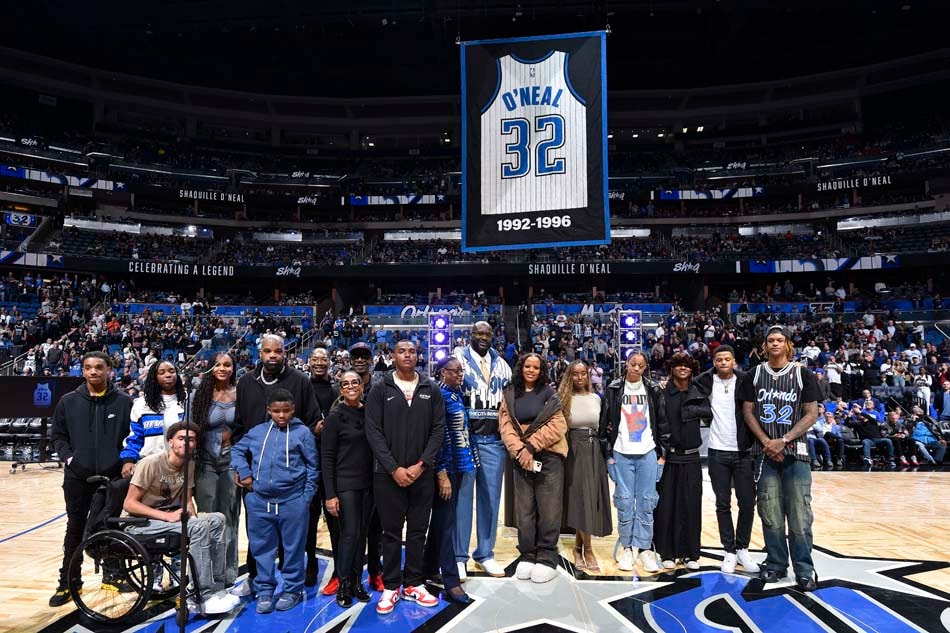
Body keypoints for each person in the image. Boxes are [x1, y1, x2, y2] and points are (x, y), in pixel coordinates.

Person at [231, 334, 322, 596]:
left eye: (278, 351)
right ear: (260, 353)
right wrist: (243, 468)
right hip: (255, 478)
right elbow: (239, 428)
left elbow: (314, 421)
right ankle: (257, 580)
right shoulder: (246, 382)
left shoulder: (301, 382)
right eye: (268, 351)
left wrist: (307, 491)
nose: (273, 355)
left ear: (286, 353)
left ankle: (298, 581)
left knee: (296, 537)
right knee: (259, 537)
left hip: (292, 479)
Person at [124, 422, 238, 616]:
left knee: (217, 519)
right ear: (170, 442)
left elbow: (186, 501)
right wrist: (168, 516)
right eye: (181, 438)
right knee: (199, 528)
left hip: (167, 519)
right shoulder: (151, 464)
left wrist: (192, 516)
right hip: (138, 524)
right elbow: (130, 504)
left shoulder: (189, 465)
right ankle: (201, 594)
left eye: (191, 439)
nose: (186, 442)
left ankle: (218, 588)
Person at [365, 340, 445, 615]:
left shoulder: (430, 388)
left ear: (417, 355)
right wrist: (394, 468)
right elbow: (373, 432)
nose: (407, 355)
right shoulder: (379, 389)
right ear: (393, 355)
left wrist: (422, 465)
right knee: (389, 533)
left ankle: (413, 583)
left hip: (422, 474)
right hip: (387, 476)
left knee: (417, 532)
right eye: (402, 351)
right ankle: (391, 586)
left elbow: (438, 430)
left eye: (412, 351)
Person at [739, 325, 820, 591]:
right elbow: (748, 411)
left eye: (779, 340)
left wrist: (783, 440)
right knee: (770, 514)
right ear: (764, 345)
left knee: (799, 516)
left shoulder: (803, 374)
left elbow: (811, 414)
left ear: (787, 345)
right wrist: (766, 441)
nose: (774, 344)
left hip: (796, 454)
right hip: (764, 453)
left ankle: (805, 569)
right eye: (770, 340)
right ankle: (775, 563)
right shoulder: (754, 374)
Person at [49, 351, 133, 607]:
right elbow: (58, 437)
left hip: (111, 477)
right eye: (88, 368)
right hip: (77, 478)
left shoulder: (124, 402)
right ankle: (69, 581)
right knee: (75, 529)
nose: (93, 372)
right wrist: (70, 459)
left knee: (109, 527)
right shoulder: (68, 401)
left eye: (98, 367)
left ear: (109, 369)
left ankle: (112, 575)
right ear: (82, 371)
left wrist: (125, 461)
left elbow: (132, 436)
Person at [683, 345, 759, 575]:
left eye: (727, 359)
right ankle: (729, 551)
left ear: (734, 361)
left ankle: (743, 548)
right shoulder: (704, 382)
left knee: (747, 503)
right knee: (722, 504)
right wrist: (704, 414)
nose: (723, 363)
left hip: (743, 451)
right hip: (717, 451)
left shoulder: (746, 380)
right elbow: (690, 407)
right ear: (714, 362)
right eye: (719, 360)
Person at [499, 353, 568, 583]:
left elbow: (558, 425)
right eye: (527, 366)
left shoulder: (549, 393)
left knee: (549, 509)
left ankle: (547, 557)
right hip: (521, 459)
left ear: (541, 371)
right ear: (521, 368)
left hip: (548, 458)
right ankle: (528, 554)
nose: (531, 370)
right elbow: (505, 425)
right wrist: (520, 451)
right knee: (525, 510)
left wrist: (531, 446)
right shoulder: (509, 393)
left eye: (536, 367)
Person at [599, 351, 668, 574]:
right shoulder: (613, 388)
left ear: (645, 367)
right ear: (626, 363)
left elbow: (663, 422)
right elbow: (604, 424)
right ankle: (628, 547)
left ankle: (645, 548)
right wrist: (608, 455)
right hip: (621, 451)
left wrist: (662, 454)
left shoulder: (654, 389)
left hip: (648, 451)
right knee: (624, 500)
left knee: (648, 501)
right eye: (632, 364)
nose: (636, 368)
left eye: (640, 365)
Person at [453, 321, 511, 580]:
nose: (484, 337)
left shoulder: (503, 365)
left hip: (493, 441)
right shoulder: (457, 359)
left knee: (490, 500)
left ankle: (485, 553)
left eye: (488, 334)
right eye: (479, 333)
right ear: (471, 335)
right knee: (462, 500)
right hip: (465, 439)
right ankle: (458, 557)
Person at [424, 357, 478, 604]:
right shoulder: (440, 396)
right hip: (446, 468)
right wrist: (442, 472)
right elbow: (441, 437)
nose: (460, 374)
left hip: (458, 465)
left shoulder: (456, 395)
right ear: (442, 372)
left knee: (441, 521)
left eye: (461, 371)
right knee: (447, 524)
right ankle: (451, 581)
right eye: (455, 371)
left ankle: (428, 568)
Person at [321, 371, 373, 608]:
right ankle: (343, 583)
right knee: (349, 534)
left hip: (368, 483)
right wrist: (330, 494)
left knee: (361, 534)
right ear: (340, 389)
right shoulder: (335, 417)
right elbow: (327, 457)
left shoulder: (370, 412)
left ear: (362, 386)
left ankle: (356, 581)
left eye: (355, 383)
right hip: (345, 483)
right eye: (346, 384)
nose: (351, 386)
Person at [191, 352, 241, 588]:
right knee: (207, 516)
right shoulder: (198, 395)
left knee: (230, 516)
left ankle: (228, 573)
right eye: (218, 364)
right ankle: (205, 573)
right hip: (206, 462)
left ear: (233, 368)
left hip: (232, 460)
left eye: (227, 365)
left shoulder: (240, 393)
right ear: (210, 368)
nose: (222, 368)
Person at [558, 360, 611, 572]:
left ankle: (581, 548)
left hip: (594, 450)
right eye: (576, 374)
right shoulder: (563, 399)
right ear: (570, 376)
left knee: (589, 500)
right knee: (580, 500)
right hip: (573, 451)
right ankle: (585, 549)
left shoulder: (597, 398)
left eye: (583, 374)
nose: (580, 378)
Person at [654, 353, 704, 569]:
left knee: (691, 505)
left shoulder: (699, 391)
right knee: (666, 506)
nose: (683, 368)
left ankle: (690, 553)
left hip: (692, 456)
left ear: (692, 369)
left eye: (687, 365)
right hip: (669, 456)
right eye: (678, 365)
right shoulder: (662, 392)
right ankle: (666, 551)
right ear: (671, 368)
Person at [347, 340, 385, 591]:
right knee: (351, 527)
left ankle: (375, 571)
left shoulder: (381, 388)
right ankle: (347, 574)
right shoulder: (344, 387)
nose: (360, 359)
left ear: (371, 359)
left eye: (365, 356)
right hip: (352, 467)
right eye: (356, 356)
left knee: (377, 525)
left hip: (378, 466)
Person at [307, 344, 342, 590]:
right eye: (315, 358)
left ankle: (340, 569)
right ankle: (309, 564)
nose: (320, 362)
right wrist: (312, 430)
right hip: (308, 464)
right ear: (309, 362)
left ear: (330, 362)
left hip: (333, 465)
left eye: (324, 359)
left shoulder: (337, 390)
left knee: (336, 521)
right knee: (307, 521)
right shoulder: (301, 386)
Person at [119, 360, 186, 474]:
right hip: (148, 465)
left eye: (171, 371)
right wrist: (128, 460)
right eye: (162, 372)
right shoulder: (141, 404)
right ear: (154, 377)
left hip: (182, 466)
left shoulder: (187, 401)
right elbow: (135, 437)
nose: (168, 375)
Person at [844, 403, 896, 471]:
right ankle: (867, 458)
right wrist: (849, 415)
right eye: (859, 415)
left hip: (878, 439)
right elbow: (846, 424)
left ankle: (891, 459)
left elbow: (869, 417)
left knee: (888, 440)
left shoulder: (872, 422)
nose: (860, 415)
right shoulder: (858, 424)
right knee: (865, 441)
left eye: (862, 414)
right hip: (868, 440)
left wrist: (860, 412)